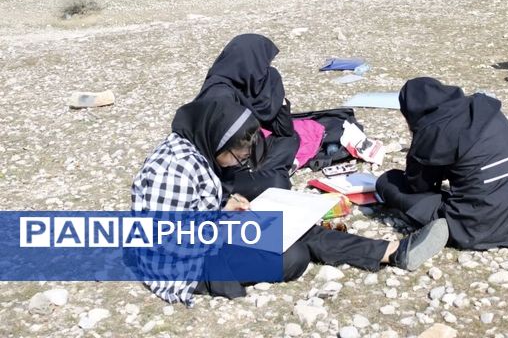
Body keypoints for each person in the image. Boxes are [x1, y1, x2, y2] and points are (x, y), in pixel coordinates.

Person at [131, 98, 449, 306]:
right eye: (235, 156)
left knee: (295, 231)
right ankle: (389, 254)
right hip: (184, 267)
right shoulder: (175, 168)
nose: (235, 164)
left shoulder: (195, 149)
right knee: (293, 256)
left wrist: (225, 208)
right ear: (217, 138)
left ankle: (391, 253)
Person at [376, 77, 508, 250]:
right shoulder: (484, 108)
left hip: (482, 225)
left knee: (388, 181)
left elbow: (418, 186)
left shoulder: (431, 132)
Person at [194, 33, 298, 200]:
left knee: (291, 139)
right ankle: (267, 174)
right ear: (251, 63)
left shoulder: (256, 85)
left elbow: (284, 130)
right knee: (278, 183)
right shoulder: (218, 95)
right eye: (263, 64)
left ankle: (262, 173)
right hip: (222, 170)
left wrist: (280, 99)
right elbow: (213, 154)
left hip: (245, 156)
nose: (266, 69)